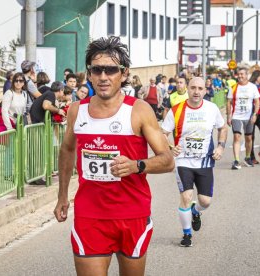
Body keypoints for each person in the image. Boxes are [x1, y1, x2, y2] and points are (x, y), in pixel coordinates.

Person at [53, 36, 174, 276]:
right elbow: (67, 150)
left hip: (132, 213)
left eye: (110, 70)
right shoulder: (78, 110)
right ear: (89, 74)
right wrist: (62, 196)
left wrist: (137, 165)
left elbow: (167, 160)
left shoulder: (139, 110)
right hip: (90, 215)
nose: (103, 77)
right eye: (96, 70)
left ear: (124, 73)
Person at [161, 77, 227, 247]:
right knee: (186, 196)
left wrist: (220, 147)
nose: (196, 91)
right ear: (187, 90)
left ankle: (195, 211)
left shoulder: (211, 109)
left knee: (205, 201)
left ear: (205, 90)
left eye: (200, 88)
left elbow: (223, 127)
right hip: (183, 161)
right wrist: (169, 147)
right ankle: (186, 234)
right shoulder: (176, 110)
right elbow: (162, 133)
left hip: (204, 162)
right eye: (193, 88)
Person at [226, 67, 260, 170]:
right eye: (238, 74)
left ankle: (248, 157)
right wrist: (228, 115)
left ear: (247, 75)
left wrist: (255, 114)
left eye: (242, 74)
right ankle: (236, 160)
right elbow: (228, 102)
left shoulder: (253, 87)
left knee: (248, 138)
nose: (240, 76)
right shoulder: (234, 87)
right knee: (236, 137)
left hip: (248, 116)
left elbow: (257, 101)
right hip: (236, 116)